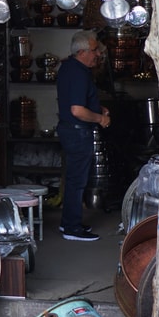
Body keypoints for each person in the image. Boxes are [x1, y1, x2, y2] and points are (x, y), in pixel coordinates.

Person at [55, 29, 109, 242]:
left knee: (74, 179)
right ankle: (72, 228)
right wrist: (100, 118)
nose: (97, 54)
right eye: (94, 50)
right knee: (78, 181)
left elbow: (75, 103)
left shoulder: (69, 67)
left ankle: (68, 222)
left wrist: (97, 108)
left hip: (71, 130)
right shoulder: (78, 72)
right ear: (82, 51)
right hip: (78, 133)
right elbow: (77, 110)